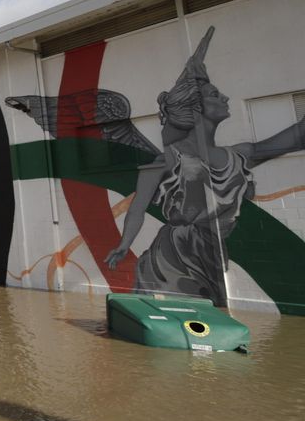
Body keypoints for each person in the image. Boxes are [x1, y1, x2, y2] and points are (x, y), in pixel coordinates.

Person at [105, 26, 305, 304]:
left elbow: (294, 138)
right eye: (215, 94)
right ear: (195, 108)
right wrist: (124, 245)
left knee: (212, 318)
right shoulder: (166, 160)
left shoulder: (240, 155)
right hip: (172, 259)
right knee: (179, 319)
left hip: (212, 255)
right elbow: (137, 209)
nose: (224, 97)